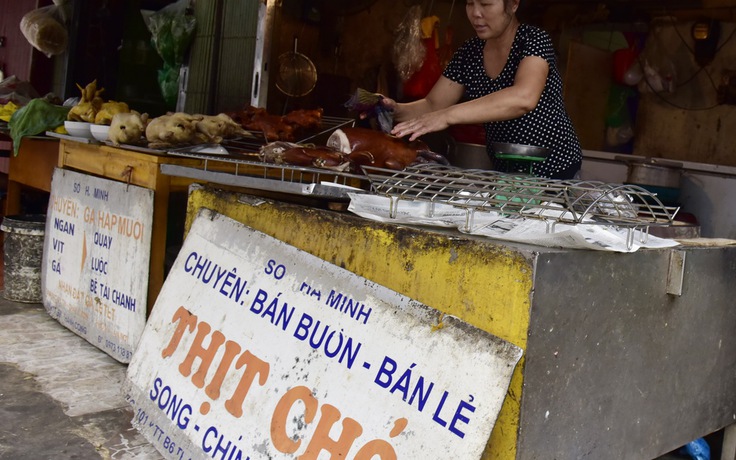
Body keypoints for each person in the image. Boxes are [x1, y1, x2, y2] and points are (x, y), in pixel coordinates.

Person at [382, 0, 582, 180]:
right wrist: (394, 109)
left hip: (557, 171)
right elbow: (433, 104)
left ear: (513, 5)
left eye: (485, 4)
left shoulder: (534, 41)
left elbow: (523, 98)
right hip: (507, 173)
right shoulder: (470, 52)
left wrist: (448, 115)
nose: (476, 13)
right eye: (470, 4)